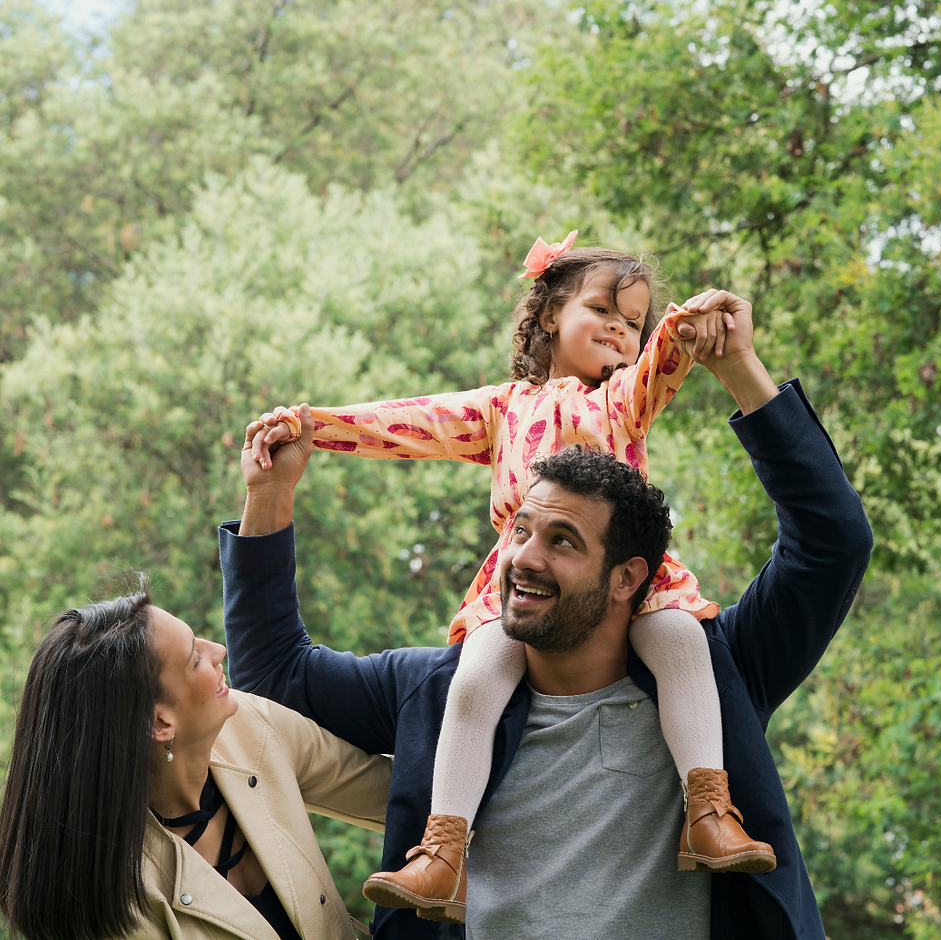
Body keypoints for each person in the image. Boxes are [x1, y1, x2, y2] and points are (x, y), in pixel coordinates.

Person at [221, 289, 874, 940]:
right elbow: (275, 680)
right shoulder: (439, 694)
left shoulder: (718, 672)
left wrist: (737, 367)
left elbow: (832, 542)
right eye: (520, 531)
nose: (522, 559)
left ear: (628, 578)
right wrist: (272, 496)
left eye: (562, 541)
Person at [0, 578, 391, 940]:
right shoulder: (119, 908)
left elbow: (391, 791)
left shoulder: (250, 728)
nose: (218, 650)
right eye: (194, 658)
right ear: (160, 722)